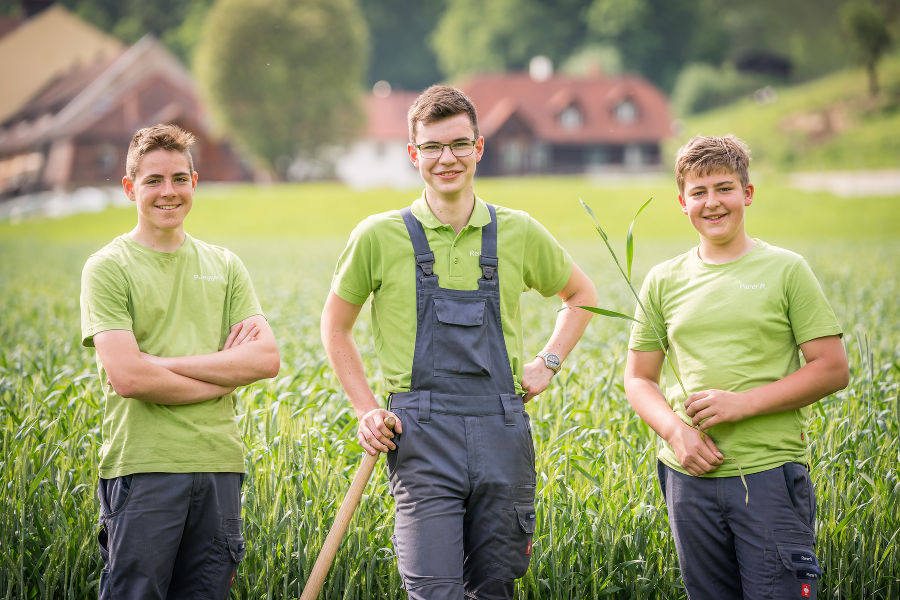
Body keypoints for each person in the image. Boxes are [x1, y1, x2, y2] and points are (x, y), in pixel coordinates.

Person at [321, 85, 597, 599]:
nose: (446, 158)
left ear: (479, 148)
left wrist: (548, 362)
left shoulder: (517, 231)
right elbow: (335, 326)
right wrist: (365, 410)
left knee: (494, 589)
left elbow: (581, 295)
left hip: (501, 430)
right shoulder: (378, 237)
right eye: (432, 147)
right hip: (421, 436)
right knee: (435, 590)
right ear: (413, 154)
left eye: (458, 144)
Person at [624, 134, 849, 599]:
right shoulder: (663, 280)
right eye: (699, 192)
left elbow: (831, 368)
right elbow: (639, 378)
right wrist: (674, 432)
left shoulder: (787, 270)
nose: (713, 203)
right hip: (689, 478)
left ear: (747, 194)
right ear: (682, 201)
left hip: (768, 475)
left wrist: (742, 405)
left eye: (724, 188)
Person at [80, 124, 280, 599]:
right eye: (153, 180)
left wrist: (161, 364)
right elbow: (128, 376)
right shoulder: (109, 267)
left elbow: (266, 358)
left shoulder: (225, 265)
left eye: (178, 178)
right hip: (144, 467)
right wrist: (221, 377)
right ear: (131, 188)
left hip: (219, 467)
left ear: (194, 182)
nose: (167, 191)